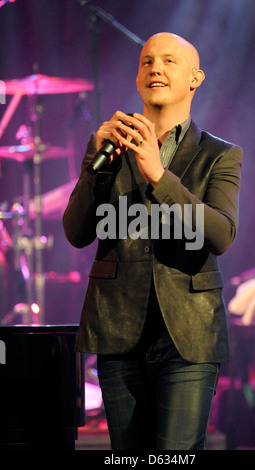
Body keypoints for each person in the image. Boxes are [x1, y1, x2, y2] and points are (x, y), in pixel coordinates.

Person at [63, 32, 243, 450]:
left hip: (189, 334)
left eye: (168, 61)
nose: (155, 69)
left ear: (195, 77)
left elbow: (220, 234)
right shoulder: (107, 145)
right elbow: (76, 233)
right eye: (146, 62)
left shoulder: (220, 154)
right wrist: (98, 166)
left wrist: (159, 176)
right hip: (117, 329)